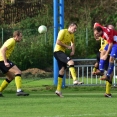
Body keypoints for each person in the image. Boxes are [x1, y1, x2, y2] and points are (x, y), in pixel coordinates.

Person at [54, 22, 83, 97]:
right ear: (70, 27)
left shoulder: (72, 35)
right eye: (74, 28)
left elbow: (73, 43)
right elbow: (58, 41)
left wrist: (73, 51)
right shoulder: (63, 31)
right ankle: (75, 80)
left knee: (62, 71)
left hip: (61, 52)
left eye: (76, 29)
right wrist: (67, 46)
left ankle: (58, 90)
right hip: (58, 52)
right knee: (71, 62)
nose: (75, 30)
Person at [0, 30, 29, 97]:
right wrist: (5, 61)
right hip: (1, 60)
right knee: (18, 72)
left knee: (10, 77)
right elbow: (3, 50)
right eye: (20, 36)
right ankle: (19, 91)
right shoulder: (12, 41)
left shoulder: (12, 41)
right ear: (16, 36)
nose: (21, 38)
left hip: (1, 60)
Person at [92, 25, 114, 97]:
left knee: (99, 64)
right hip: (105, 53)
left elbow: (96, 37)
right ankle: (107, 92)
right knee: (110, 72)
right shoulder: (107, 35)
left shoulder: (104, 35)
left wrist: (95, 35)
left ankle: (96, 70)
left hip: (104, 53)